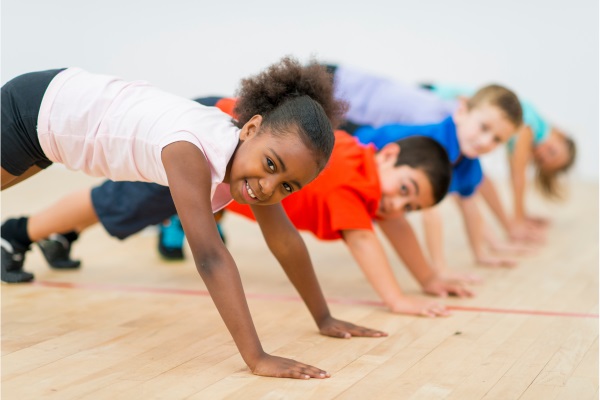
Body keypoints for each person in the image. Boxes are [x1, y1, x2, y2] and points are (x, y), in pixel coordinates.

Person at [1, 58, 386, 379]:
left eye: (288, 186)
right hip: (37, 109)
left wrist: (324, 318)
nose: (269, 188)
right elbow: (210, 256)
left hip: (53, 124)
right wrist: (257, 358)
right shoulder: (190, 150)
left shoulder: (246, 160)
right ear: (250, 128)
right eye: (271, 165)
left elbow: (284, 240)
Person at [228, 130, 474, 316]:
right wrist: (397, 300)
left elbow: (396, 224)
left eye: (410, 207)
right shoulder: (349, 177)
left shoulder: (365, 170)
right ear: (388, 155)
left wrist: (429, 278)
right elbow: (361, 239)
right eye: (404, 189)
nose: (398, 206)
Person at [351, 83, 524, 278]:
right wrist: (440, 270)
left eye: (497, 139)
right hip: (350, 142)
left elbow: (470, 205)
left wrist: (480, 253)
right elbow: (430, 214)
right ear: (461, 112)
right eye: (483, 128)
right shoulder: (434, 145)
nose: (486, 142)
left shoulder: (470, 163)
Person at [422, 83, 577, 241]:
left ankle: (506, 227)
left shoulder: (534, 126)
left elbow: (482, 180)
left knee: (474, 176)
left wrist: (520, 217)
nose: (542, 153)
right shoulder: (529, 126)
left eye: (542, 160)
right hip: (431, 98)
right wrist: (517, 221)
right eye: (552, 152)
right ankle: (509, 227)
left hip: (432, 95)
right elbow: (518, 177)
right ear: (561, 134)